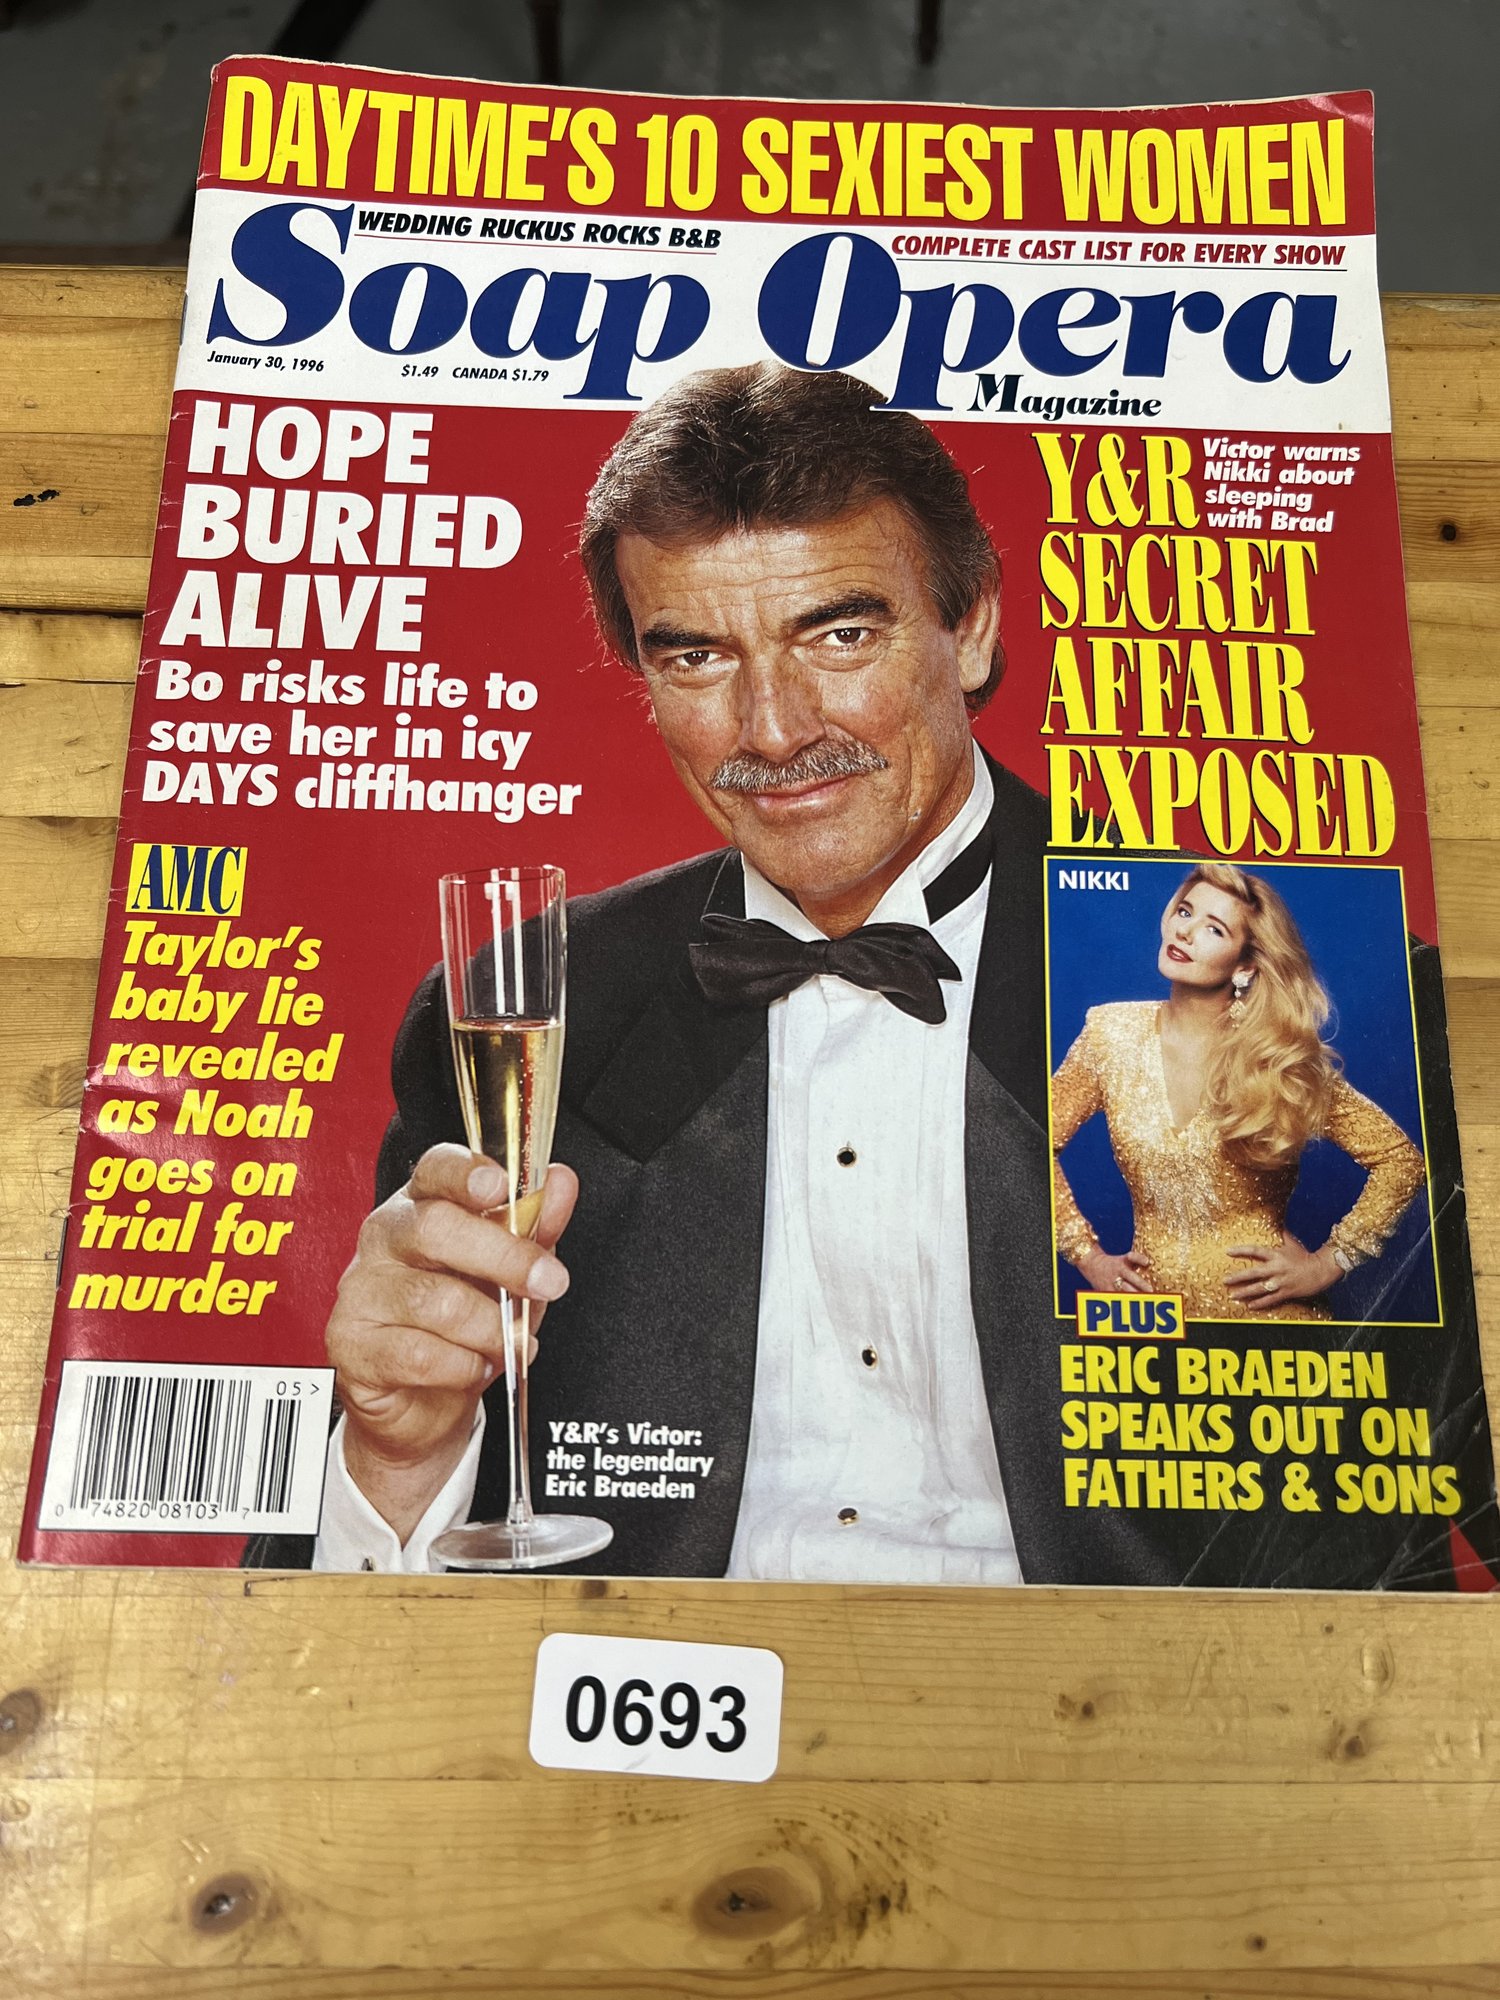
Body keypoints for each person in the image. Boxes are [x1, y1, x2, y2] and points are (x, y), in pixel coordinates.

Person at [248, 365, 1489, 1593]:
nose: (776, 728)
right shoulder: (521, 1001)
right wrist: (395, 1460)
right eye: (696, 656)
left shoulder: (1279, 986)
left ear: (973, 626)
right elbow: (308, 1620)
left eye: (840, 634)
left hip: (1156, 1707)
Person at [1051, 862, 1427, 1322]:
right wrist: (1086, 1254)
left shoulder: (1276, 1056)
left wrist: (1329, 1263)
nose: (1185, 932)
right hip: (1156, 1325)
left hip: (1274, 1324)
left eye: (1214, 929)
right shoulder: (1110, 1035)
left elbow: (1400, 1160)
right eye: (1185, 912)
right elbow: (1031, 1139)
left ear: (1246, 964)